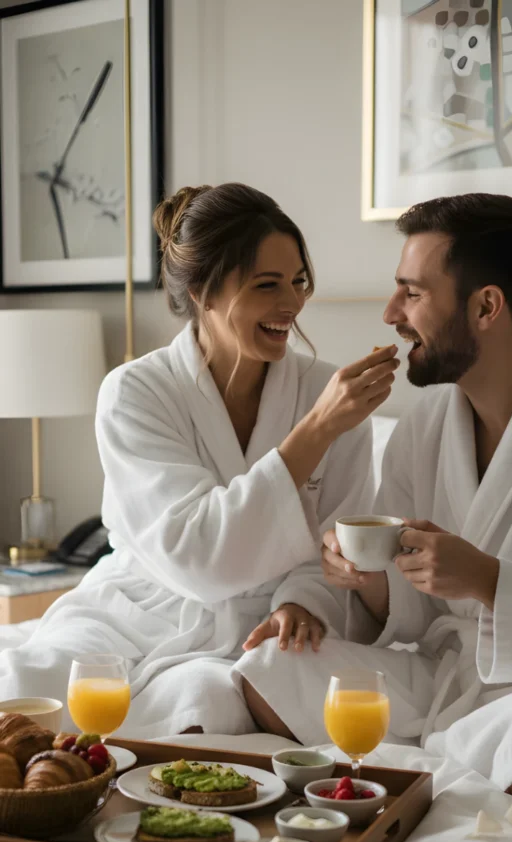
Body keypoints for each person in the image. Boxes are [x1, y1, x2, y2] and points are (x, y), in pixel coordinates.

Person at [234, 192, 512, 803]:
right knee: (268, 670)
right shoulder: (426, 425)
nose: (391, 312)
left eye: (412, 293)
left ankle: (424, 760)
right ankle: (455, 753)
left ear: (486, 307)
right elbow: (409, 606)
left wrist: (488, 580)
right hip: (450, 678)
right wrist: (360, 579)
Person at [0, 183, 399, 737]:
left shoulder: (326, 394)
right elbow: (196, 551)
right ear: (202, 291)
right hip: (137, 606)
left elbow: (336, 545)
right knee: (25, 680)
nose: (291, 304)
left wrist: (303, 603)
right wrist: (318, 428)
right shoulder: (135, 392)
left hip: (258, 624)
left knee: (203, 705)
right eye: (267, 285)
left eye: (298, 282)